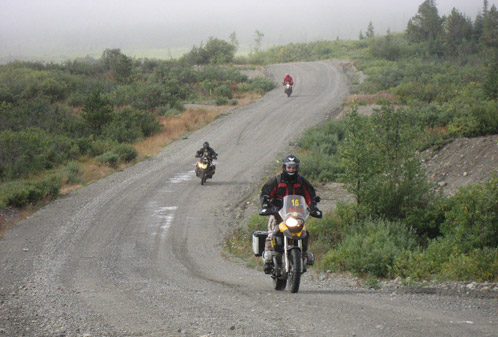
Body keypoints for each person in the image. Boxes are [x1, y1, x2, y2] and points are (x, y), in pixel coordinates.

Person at [259, 154, 321, 273]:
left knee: (304, 232)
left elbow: (310, 196)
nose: (291, 169)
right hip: (278, 212)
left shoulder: (302, 181)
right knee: (272, 232)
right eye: (289, 167)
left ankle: (304, 254)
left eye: (293, 167)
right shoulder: (276, 180)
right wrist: (266, 204)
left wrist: (314, 207)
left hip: (297, 214)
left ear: (297, 168)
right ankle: (268, 258)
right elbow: (265, 192)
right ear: (284, 167)